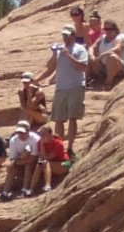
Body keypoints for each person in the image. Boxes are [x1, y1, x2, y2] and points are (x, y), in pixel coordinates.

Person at [35, 25, 88, 157]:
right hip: (61, 88)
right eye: (63, 35)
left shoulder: (80, 49)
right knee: (58, 119)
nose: (64, 38)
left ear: (73, 36)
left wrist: (68, 55)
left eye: (67, 35)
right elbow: (50, 68)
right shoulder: (59, 51)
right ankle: (60, 147)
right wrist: (54, 54)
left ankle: (70, 147)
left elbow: (82, 66)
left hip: (75, 87)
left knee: (72, 117)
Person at [0, 120, 40, 201]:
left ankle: (25, 189)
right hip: (21, 161)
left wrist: (18, 160)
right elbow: (13, 158)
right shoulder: (13, 140)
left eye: (23, 133)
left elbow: (33, 158)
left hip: (34, 163)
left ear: (28, 131)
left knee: (28, 165)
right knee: (12, 168)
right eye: (19, 132)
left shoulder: (35, 138)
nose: (20, 135)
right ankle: (5, 192)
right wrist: (16, 162)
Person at [90, 19, 124, 89]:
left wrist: (102, 55)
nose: (107, 31)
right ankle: (88, 79)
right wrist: (91, 56)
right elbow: (92, 47)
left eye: (110, 29)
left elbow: (117, 49)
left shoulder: (120, 37)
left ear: (115, 29)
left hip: (121, 68)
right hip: (104, 66)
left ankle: (108, 82)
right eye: (105, 29)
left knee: (112, 57)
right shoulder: (103, 37)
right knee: (87, 55)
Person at [34, 125, 72, 194]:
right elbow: (41, 156)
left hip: (65, 163)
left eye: (44, 134)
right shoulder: (39, 142)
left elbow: (46, 158)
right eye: (40, 134)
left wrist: (42, 148)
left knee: (45, 163)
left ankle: (48, 186)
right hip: (52, 163)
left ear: (50, 134)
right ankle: (31, 188)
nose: (42, 136)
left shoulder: (58, 143)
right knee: (39, 164)